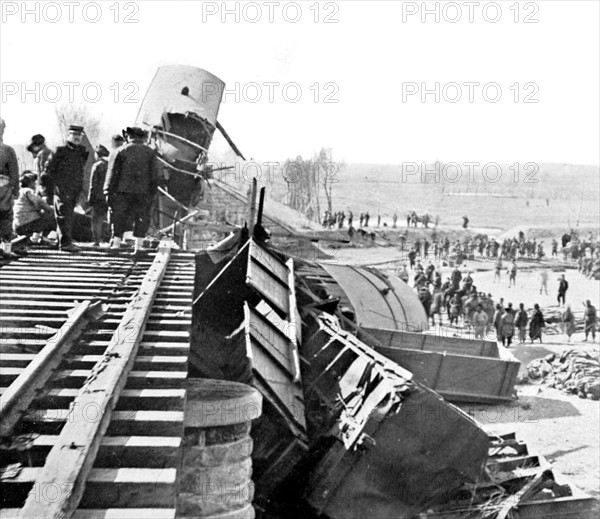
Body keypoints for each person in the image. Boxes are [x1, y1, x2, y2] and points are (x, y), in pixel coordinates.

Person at [104, 126, 161, 253]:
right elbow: (154, 175)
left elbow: (112, 173)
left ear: (129, 136)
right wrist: (152, 192)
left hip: (122, 192)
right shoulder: (150, 152)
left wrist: (107, 191)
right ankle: (139, 245)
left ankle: (116, 244)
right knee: (142, 217)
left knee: (119, 217)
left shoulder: (119, 151)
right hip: (143, 192)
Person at [45, 125, 89, 251]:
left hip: (74, 189)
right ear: (68, 136)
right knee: (63, 215)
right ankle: (65, 244)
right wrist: (53, 188)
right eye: (74, 135)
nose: (77, 138)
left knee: (67, 215)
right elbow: (48, 172)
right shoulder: (60, 151)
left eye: (79, 136)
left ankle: (62, 241)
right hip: (62, 189)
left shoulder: (81, 151)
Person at [13, 172, 55, 241]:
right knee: (51, 213)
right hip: (26, 224)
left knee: (41, 214)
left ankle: (37, 237)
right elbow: (39, 202)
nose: (35, 184)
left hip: (17, 225)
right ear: (30, 183)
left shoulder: (19, 192)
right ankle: (40, 237)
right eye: (34, 182)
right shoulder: (28, 191)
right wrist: (50, 208)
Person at [0, 118, 20, 259]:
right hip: (3, 188)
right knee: (6, 218)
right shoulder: (8, 150)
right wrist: (15, 190)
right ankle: (6, 251)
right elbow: (14, 172)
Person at [88, 144, 110, 246]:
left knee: (96, 219)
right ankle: (112, 240)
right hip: (110, 196)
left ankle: (96, 241)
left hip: (98, 197)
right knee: (111, 218)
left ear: (98, 154)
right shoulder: (111, 165)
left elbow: (93, 184)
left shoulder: (97, 166)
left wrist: (90, 199)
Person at [26, 134, 53, 203]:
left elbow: (43, 173)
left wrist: (40, 188)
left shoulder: (43, 153)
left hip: (48, 189)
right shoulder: (46, 152)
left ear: (35, 146)